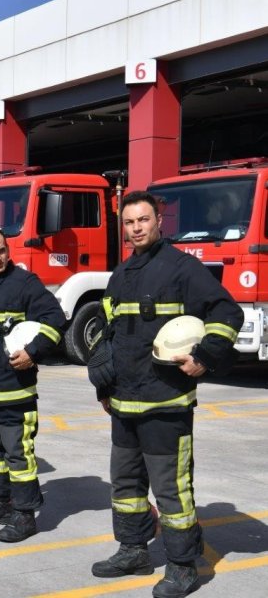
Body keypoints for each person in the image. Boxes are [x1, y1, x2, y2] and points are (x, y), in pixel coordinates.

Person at [87, 191, 243, 597]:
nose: (136, 228)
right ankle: (133, 550)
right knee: (125, 485)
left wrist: (205, 356)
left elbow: (227, 313)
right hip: (123, 403)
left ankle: (182, 565)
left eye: (143, 220)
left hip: (166, 403)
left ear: (159, 221)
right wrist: (105, 384)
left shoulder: (181, 269)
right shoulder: (121, 274)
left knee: (171, 490)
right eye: (129, 222)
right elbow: (110, 336)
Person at [0, 227, 65, 542]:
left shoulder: (25, 283)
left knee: (18, 455)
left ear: (9, 250)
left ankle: (24, 515)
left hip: (16, 391)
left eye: (1, 251)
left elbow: (56, 321)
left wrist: (33, 352)